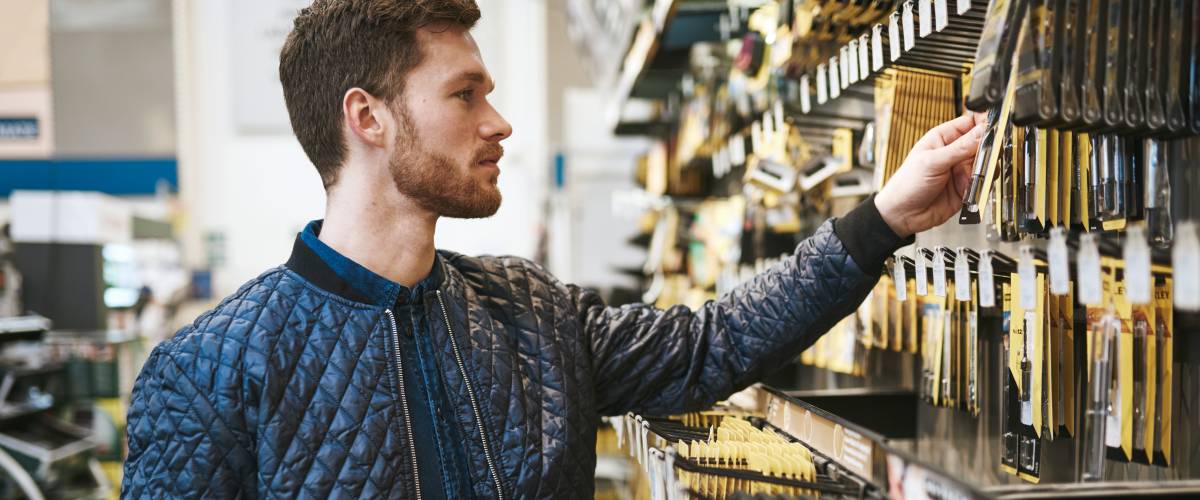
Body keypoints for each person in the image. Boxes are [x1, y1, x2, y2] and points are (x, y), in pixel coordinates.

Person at [120, 1, 987, 498]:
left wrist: (881, 220)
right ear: (368, 118)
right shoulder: (209, 373)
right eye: (466, 95)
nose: (500, 123)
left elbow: (709, 344)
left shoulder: (529, 311)